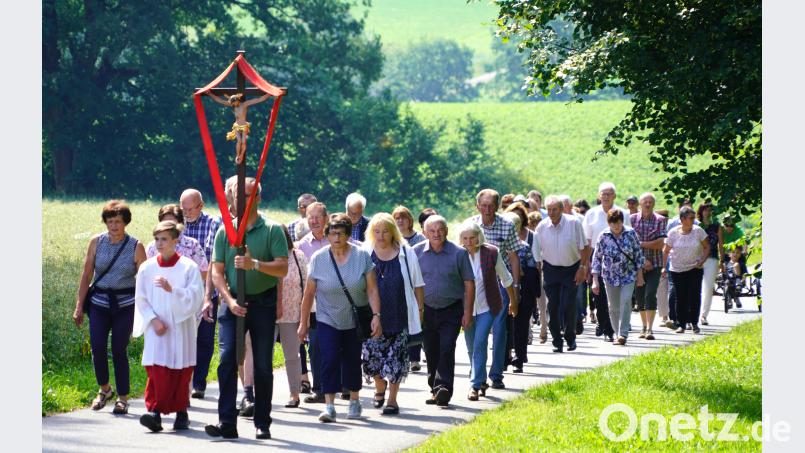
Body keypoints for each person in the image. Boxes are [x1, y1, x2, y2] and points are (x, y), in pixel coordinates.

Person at [206, 176, 289, 440]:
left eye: (246, 196)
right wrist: (228, 301)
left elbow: (282, 267)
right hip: (232, 303)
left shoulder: (272, 229)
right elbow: (216, 271)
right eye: (236, 196)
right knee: (228, 359)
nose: (238, 201)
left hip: (263, 302)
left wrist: (254, 264)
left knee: (263, 365)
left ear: (257, 199)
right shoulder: (225, 232)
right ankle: (226, 421)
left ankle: (262, 421)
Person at [297, 213, 382, 423]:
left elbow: (372, 289)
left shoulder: (361, 256)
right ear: (327, 235)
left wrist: (376, 315)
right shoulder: (319, 258)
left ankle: (354, 400)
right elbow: (308, 293)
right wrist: (303, 322)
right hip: (327, 317)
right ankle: (329, 405)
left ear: (348, 235)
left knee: (352, 359)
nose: (336, 238)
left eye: (341, 234)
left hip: (354, 319)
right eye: (332, 234)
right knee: (329, 359)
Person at [73, 200, 147, 415]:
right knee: (97, 346)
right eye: (110, 221)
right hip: (99, 303)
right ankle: (104, 389)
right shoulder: (96, 242)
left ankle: (123, 398)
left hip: (125, 305)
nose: (114, 226)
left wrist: (145, 312)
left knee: (118, 349)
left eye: (118, 222)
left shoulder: (136, 246)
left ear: (126, 223)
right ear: (105, 222)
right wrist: (79, 306)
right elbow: (87, 275)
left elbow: (144, 280)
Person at [134, 221, 205, 432]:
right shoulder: (147, 268)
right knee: (157, 371)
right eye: (156, 239)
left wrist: (172, 290)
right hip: (156, 328)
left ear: (176, 241)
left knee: (180, 372)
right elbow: (141, 298)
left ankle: (181, 412)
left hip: (180, 328)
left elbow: (196, 297)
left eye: (164, 239)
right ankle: (154, 412)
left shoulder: (188, 267)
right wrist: (153, 320)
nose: (159, 243)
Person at [362, 213, 425, 415]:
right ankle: (380, 387)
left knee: (397, 358)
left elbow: (418, 285)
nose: (380, 236)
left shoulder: (406, 252)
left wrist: (420, 311)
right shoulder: (364, 252)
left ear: (393, 232)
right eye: (377, 231)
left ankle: (392, 400)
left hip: (399, 314)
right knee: (372, 357)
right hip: (372, 315)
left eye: (385, 231)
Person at [413, 215, 475, 407]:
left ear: (447, 231)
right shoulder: (415, 252)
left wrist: (468, 312)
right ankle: (435, 389)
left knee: (447, 347)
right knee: (431, 350)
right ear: (424, 232)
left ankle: (444, 388)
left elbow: (469, 284)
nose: (436, 234)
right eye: (431, 231)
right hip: (426, 310)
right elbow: (410, 283)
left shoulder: (459, 253)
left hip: (451, 309)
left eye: (440, 230)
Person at [457, 221, 515, 400]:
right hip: (466, 309)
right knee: (470, 346)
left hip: (487, 307)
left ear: (479, 237)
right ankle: (480, 379)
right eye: (465, 238)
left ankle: (474, 385)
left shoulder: (491, 253)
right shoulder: (457, 254)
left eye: (472, 238)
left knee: (480, 342)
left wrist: (513, 301)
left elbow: (506, 278)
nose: (468, 242)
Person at [471, 189, 520, 390]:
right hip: (476, 284)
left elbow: (514, 256)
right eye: (484, 205)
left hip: (500, 282)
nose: (487, 209)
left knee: (500, 329)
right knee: (477, 332)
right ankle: (477, 373)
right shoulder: (471, 225)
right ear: (477, 206)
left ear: (498, 207)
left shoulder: (507, 226)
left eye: (491, 205)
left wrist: (515, 287)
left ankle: (497, 373)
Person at [180, 189, 223, 400]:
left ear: (201, 206)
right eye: (183, 208)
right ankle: (182, 381)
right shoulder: (177, 225)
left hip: (206, 289)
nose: (186, 213)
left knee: (204, 339)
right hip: (181, 291)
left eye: (190, 209)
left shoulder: (214, 224)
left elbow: (216, 257)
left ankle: (199, 382)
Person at [534, 196, 589, 353]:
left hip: (571, 267)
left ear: (561, 209)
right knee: (553, 306)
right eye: (549, 209)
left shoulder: (573, 223)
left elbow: (584, 247)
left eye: (555, 209)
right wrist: (539, 267)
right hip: (551, 269)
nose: (551, 213)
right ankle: (556, 341)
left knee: (567, 305)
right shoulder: (542, 227)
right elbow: (537, 250)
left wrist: (582, 267)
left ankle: (570, 337)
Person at [582, 182, 631, 342]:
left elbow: (629, 237)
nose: (606, 196)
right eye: (603, 193)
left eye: (609, 193)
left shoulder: (623, 213)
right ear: (599, 196)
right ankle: (604, 324)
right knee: (599, 296)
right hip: (598, 258)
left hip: (620, 262)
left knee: (615, 299)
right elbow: (587, 241)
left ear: (614, 196)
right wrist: (586, 263)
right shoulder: (591, 214)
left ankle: (612, 329)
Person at [591, 210, 645, 345]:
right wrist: (595, 280)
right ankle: (616, 333)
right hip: (609, 276)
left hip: (628, 274)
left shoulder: (631, 233)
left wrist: (640, 274)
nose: (616, 226)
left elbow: (638, 254)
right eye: (613, 223)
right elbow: (597, 258)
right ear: (609, 223)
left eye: (619, 222)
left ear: (623, 221)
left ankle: (623, 333)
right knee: (613, 306)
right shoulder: (603, 236)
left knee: (626, 300)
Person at [296, 202, 330, 404]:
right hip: (314, 304)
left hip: (336, 304)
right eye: (311, 217)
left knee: (336, 345)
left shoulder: (336, 240)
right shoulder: (301, 246)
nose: (315, 221)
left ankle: (340, 383)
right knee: (315, 346)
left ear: (326, 218)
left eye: (318, 217)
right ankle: (319, 388)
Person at [503, 205, 540, 372]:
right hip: (502, 289)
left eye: (515, 226)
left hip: (523, 291)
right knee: (503, 324)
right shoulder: (497, 246)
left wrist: (523, 273)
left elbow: (533, 269)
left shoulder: (524, 247)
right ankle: (504, 357)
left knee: (521, 324)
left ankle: (519, 357)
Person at [662, 206, 710, 334]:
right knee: (680, 297)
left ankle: (694, 323)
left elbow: (707, 247)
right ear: (682, 219)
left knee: (694, 295)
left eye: (694, 218)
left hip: (695, 268)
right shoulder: (673, 232)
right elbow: (665, 251)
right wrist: (663, 267)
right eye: (691, 218)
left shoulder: (698, 231)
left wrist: (702, 261)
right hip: (677, 269)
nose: (694, 220)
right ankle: (681, 324)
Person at [276, 225, 308, 408]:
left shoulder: (298, 256)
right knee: (261, 356)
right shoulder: (265, 257)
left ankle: (294, 394)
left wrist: (305, 318)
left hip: (292, 313)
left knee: (292, 356)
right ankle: (255, 395)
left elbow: (306, 288)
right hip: (267, 312)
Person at [630, 193, 667, 340]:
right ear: (640, 203)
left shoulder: (660, 220)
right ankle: (643, 326)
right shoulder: (632, 219)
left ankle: (650, 329)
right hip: (637, 265)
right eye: (645, 201)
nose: (647, 204)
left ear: (654, 204)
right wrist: (642, 259)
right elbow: (630, 243)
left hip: (656, 264)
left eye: (650, 202)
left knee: (650, 294)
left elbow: (661, 243)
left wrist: (642, 244)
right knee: (639, 297)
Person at [207, 91, 273, 164]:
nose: (234, 105)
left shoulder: (244, 104)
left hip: (244, 125)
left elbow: (259, 99)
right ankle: (238, 155)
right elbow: (220, 101)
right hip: (237, 125)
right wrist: (210, 94)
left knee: (243, 142)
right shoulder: (233, 104)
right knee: (239, 142)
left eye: (234, 104)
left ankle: (241, 155)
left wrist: (269, 94)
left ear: (237, 100)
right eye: (232, 104)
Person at [145, 205, 208, 273]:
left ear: (180, 223)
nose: (167, 226)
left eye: (171, 223)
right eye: (164, 223)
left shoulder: (192, 245)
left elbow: (204, 271)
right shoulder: (152, 247)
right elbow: (146, 271)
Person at [697, 203, 724, 326]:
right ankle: (692, 314)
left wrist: (722, 261)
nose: (708, 213)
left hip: (712, 258)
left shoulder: (716, 226)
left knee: (708, 288)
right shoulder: (696, 225)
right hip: (697, 258)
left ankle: (703, 315)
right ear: (701, 212)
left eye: (709, 210)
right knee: (695, 288)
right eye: (705, 210)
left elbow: (720, 245)